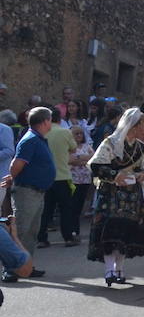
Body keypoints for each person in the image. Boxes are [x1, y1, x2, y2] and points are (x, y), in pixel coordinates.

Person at [88, 108, 144, 286]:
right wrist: (115, 175)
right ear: (134, 125)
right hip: (111, 193)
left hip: (132, 195)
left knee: (126, 232)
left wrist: (141, 175)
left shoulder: (142, 148)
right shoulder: (110, 143)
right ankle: (109, 269)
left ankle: (119, 268)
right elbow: (96, 165)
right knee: (110, 231)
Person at [3, 107, 57, 264]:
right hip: (27, 192)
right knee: (20, 230)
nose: (51, 123)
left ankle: (26, 265)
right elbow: (17, 163)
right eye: (50, 119)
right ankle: (11, 268)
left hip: (36, 192)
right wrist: (10, 179)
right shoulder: (31, 140)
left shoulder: (37, 138)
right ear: (45, 121)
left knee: (31, 232)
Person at [37, 113, 78, 248]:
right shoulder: (65, 132)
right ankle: (68, 238)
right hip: (63, 176)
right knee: (65, 209)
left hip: (45, 177)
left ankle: (42, 238)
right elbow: (73, 148)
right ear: (59, 119)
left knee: (46, 210)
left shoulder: (41, 133)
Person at [69, 125, 94, 227]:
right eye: (76, 134)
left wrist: (78, 158)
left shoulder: (87, 146)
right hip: (73, 180)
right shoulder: (69, 147)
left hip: (85, 180)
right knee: (72, 204)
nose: (79, 135)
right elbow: (70, 160)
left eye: (80, 133)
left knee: (80, 204)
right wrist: (83, 159)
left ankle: (76, 226)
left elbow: (93, 158)